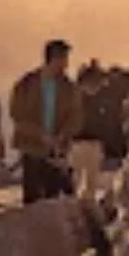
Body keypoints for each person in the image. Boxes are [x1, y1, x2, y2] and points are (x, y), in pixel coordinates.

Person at [10, 39, 83, 204]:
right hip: (31, 147)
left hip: (56, 151)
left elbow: (75, 116)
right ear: (53, 59)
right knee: (31, 197)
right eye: (63, 59)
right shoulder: (26, 84)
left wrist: (62, 136)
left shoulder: (68, 87)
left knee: (53, 196)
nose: (66, 64)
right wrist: (40, 134)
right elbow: (17, 115)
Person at [68, 62, 110, 202]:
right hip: (77, 143)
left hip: (93, 143)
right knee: (76, 179)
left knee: (91, 181)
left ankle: (87, 205)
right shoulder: (74, 98)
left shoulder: (99, 99)